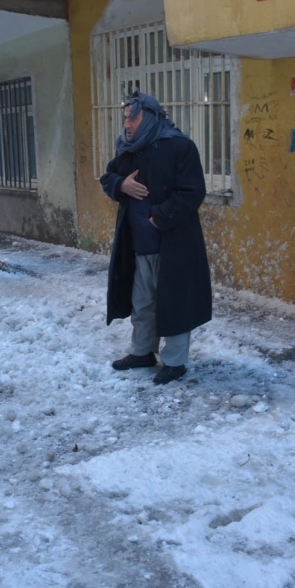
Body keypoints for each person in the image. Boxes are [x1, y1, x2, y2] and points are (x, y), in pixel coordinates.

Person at [100, 90, 212, 385]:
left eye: (132, 117)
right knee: (142, 302)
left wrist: (159, 216)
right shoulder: (129, 149)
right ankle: (142, 352)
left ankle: (175, 362)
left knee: (174, 302)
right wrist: (121, 184)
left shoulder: (180, 147)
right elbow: (108, 177)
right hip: (138, 244)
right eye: (125, 118)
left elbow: (192, 192)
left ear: (149, 116)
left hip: (173, 244)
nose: (127, 124)